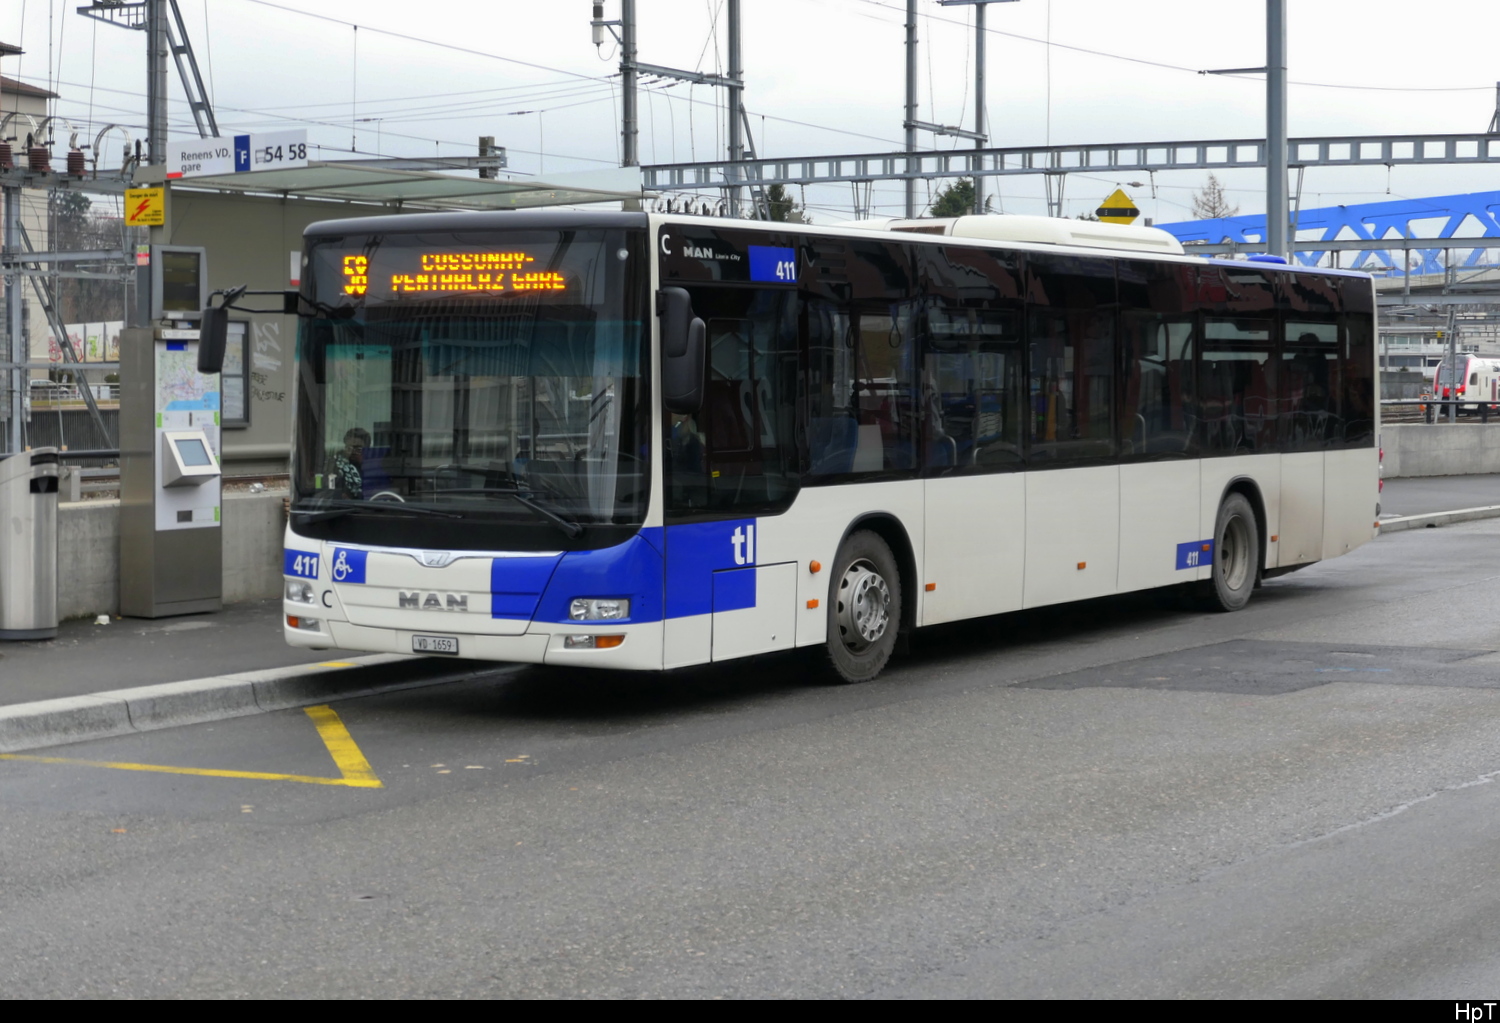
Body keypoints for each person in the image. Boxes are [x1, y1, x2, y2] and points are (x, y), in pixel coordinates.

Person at [332, 427, 369, 499]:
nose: (352, 452)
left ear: (367, 449)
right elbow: (330, 490)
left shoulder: (374, 470)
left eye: (358, 449)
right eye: (349, 448)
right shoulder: (338, 468)